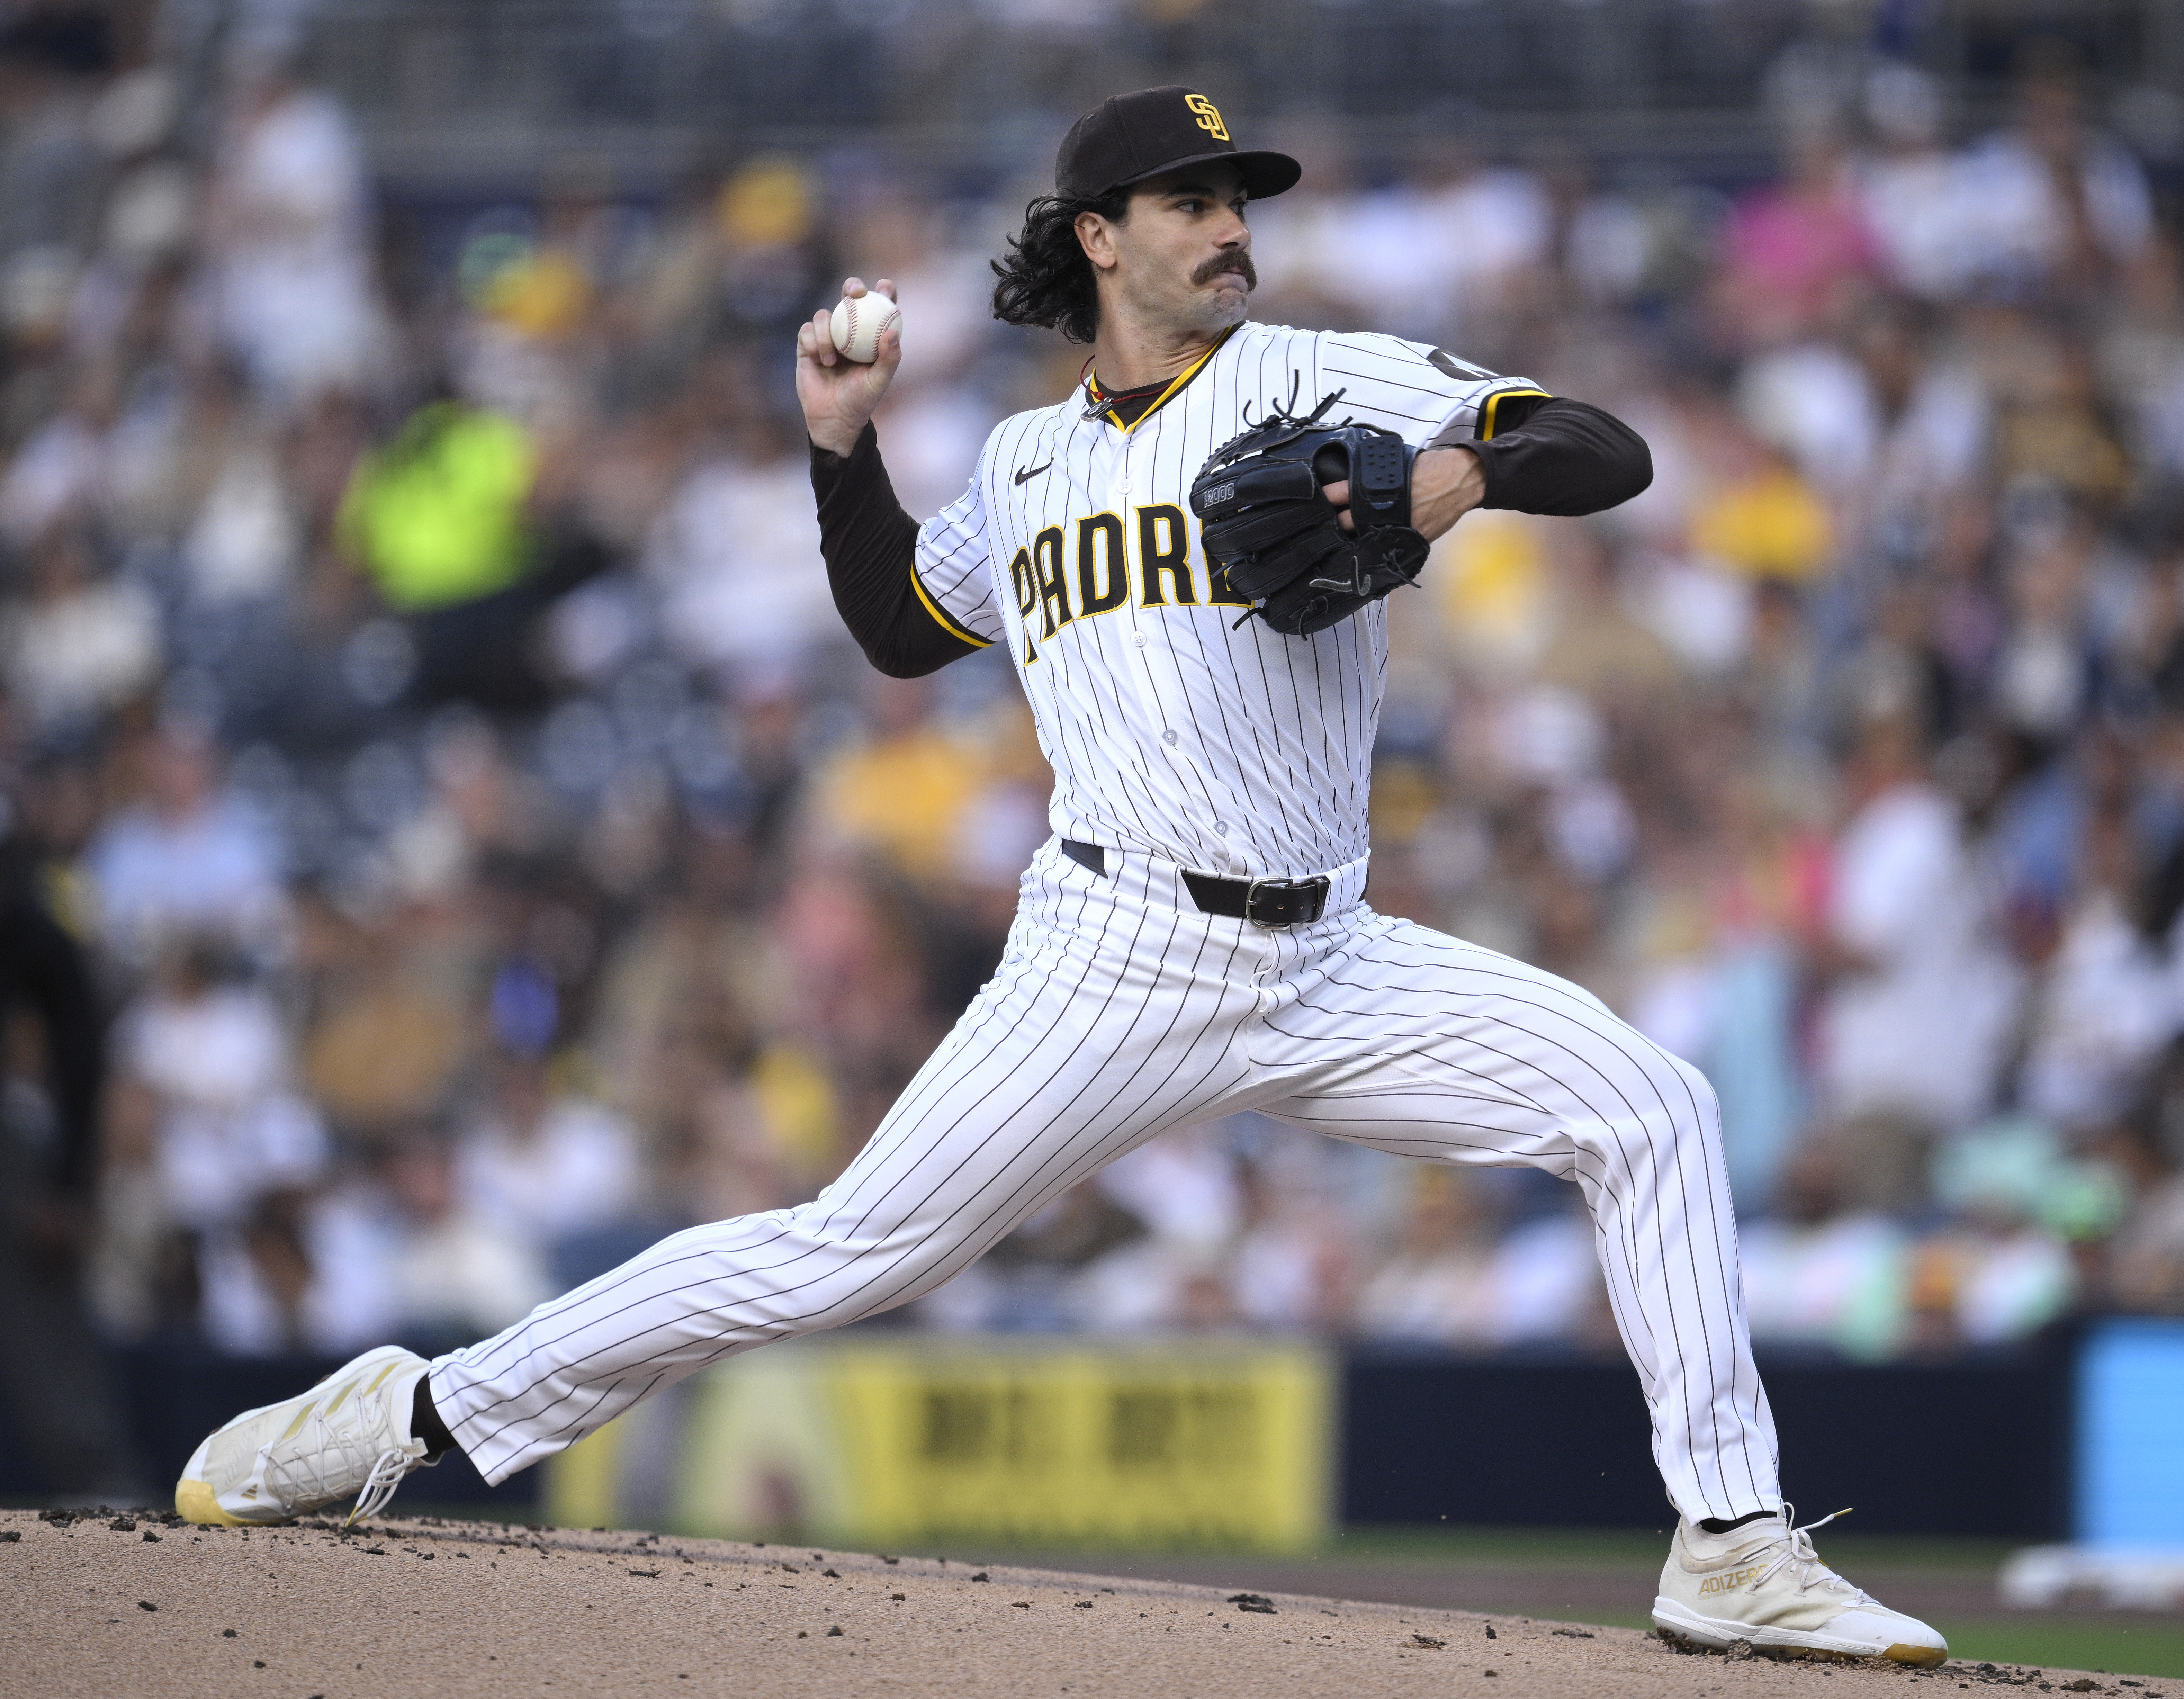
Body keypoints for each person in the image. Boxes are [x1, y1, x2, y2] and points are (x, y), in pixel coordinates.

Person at [171, 87, 1946, 1665]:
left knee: (1650, 1106)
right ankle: (413, 1410)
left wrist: (1445, 477)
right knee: (832, 1256)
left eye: (1238, 197)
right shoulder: (1023, 466)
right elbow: (890, 627)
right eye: (1190, 200)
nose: (1229, 224)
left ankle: (1729, 1547)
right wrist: (836, 443)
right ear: (1100, 238)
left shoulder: (1311, 371)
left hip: (1331, 959)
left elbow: (1602, 450)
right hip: (1109, 952)